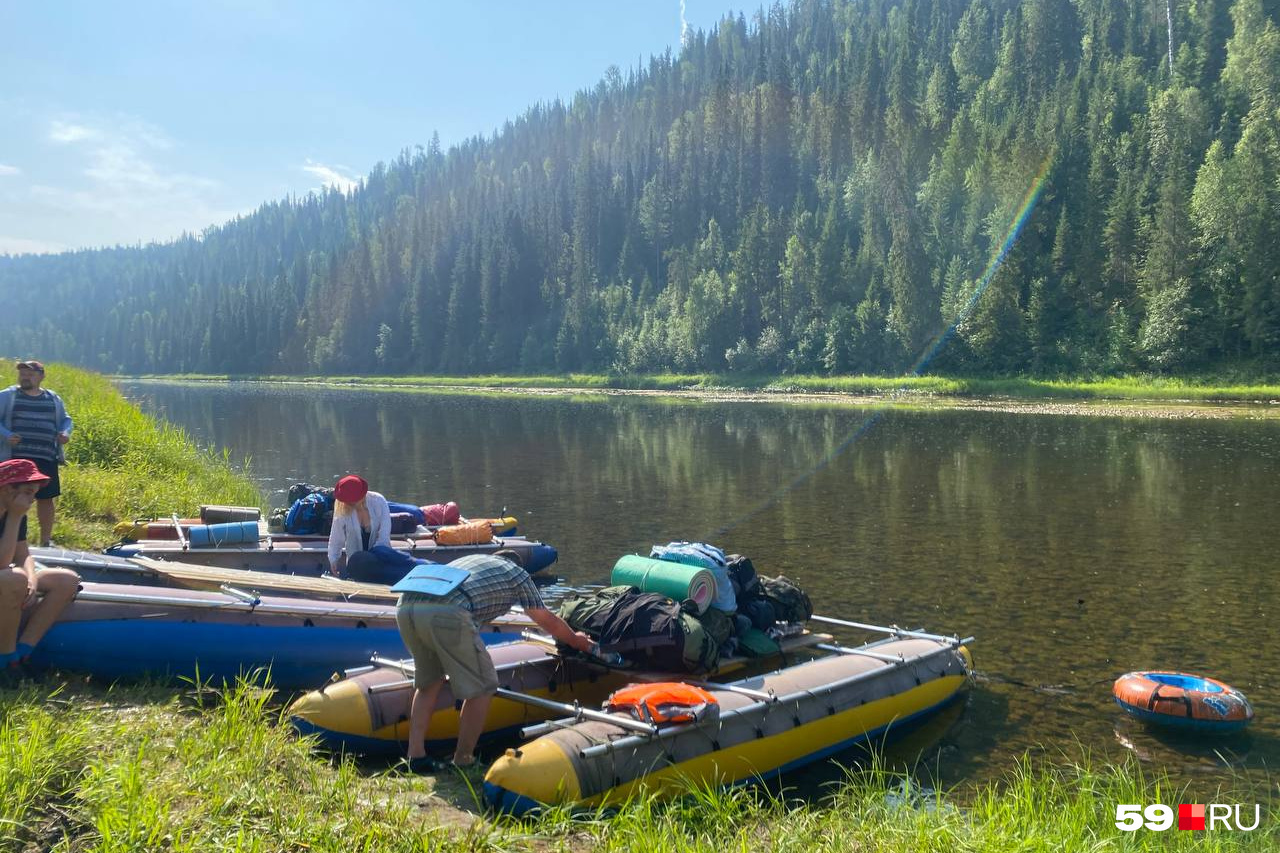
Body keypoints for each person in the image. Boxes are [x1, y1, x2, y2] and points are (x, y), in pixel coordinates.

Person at [396, 549, 594, 771]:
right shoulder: (518, 574)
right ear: (518, 564)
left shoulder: (472, 560)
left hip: (406, 606)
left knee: (428, 683)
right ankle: (463, 759)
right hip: (447, 610)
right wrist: (576, 640)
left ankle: (416, 757)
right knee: (483, 686)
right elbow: (545, 619)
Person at [0, 459, 79, 675]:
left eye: (34, 492)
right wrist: (15, 516)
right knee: (13, 577)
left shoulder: (14, 514)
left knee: (67, 580)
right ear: (7, 490)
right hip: (4, 577)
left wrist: (32, 581)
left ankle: (23, 653)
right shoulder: (15, 514)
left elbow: (23, 555)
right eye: (27, 491)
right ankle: (5, 662)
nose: (32, 499)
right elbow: (3, 563)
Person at [0, 360, 73, 547]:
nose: (25, 377)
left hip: (46, 457)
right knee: (10, 497)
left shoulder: (53, 398)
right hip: (15, 459)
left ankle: (46, 541)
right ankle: (9, 539)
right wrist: (7, 435)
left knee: (46, 498)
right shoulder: (8, 396)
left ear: (41, 376)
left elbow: (66, 420)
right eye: (23, 374)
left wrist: (65, 433)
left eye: (30, 374)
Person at [326, 474, 391, 578]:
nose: (349, 503)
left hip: (381, 558)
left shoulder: (379, 501)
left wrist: (371, 560)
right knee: (359, 561)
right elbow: (336, 537)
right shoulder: (342, 507)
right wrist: (333, 560)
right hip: (355, 564)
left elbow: (384, 537)